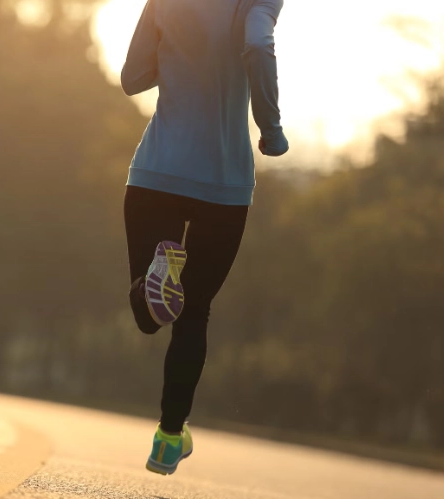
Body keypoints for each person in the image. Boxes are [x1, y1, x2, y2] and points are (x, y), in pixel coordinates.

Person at [121, 0, 288, 475]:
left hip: (156, 173)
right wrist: (270, 127)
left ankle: (152, 282)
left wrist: (184, 56)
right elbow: (257, 45)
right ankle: (169, 438)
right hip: (224, 185)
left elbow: (132, 77)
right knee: (193, 314)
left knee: (152, 314)